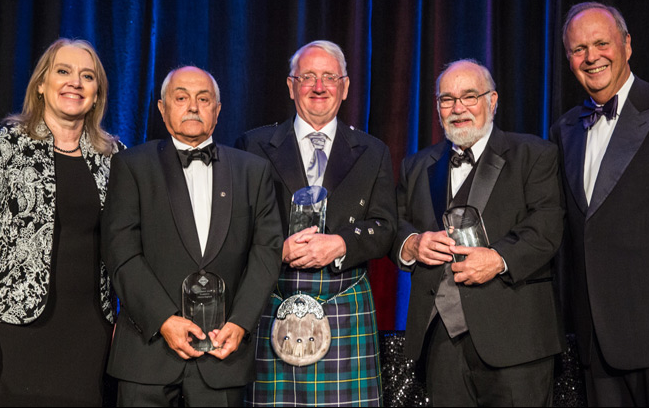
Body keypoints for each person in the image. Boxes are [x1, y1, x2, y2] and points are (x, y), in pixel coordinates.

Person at [0, 38, 122, 406]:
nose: (75, 82)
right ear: (41, 84)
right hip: (12, 330)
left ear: (97, 94)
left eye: (87, 76)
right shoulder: (1, 145)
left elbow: (125, 246)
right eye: (63, 71)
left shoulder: (113, 157)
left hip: (89, 333)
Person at [552, 2, 649, 406]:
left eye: (601, 43)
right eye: (579, 49)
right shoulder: (564, 130)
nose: (591, 57)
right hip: (599, 349)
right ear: (569, 60)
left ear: (627, 45)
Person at [101, 66, 283, 406]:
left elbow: (267, 252)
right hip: (147, 352)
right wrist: (163, 319)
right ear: (162, 108)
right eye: (181, 98)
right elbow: (120, 252)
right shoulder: (131, 166)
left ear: (218, 109)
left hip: (223, 352)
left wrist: (241, 323)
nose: (193, 107)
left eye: (204, 99)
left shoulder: (253, 171)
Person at [392, 59, 564, 406]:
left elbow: (546, 228)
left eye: (469, 96)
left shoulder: (534, 154)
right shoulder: (416, 165)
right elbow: (394, 225)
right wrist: (411, 243)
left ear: (492, 100)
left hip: (516, 340)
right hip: (441, 343)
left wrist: (499, 259)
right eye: (447, 99)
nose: (458, 108)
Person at [235, 40, 396, 406]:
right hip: (273, 298)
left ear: (345, 86)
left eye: (329, 77)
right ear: (291, 86)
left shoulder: (373, 151)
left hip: (344, 304)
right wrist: (276, 250)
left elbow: (386, 226)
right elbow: (233, 227)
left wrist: (342, 243)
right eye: (307, 77)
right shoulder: (253, 145)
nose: (319, 87)